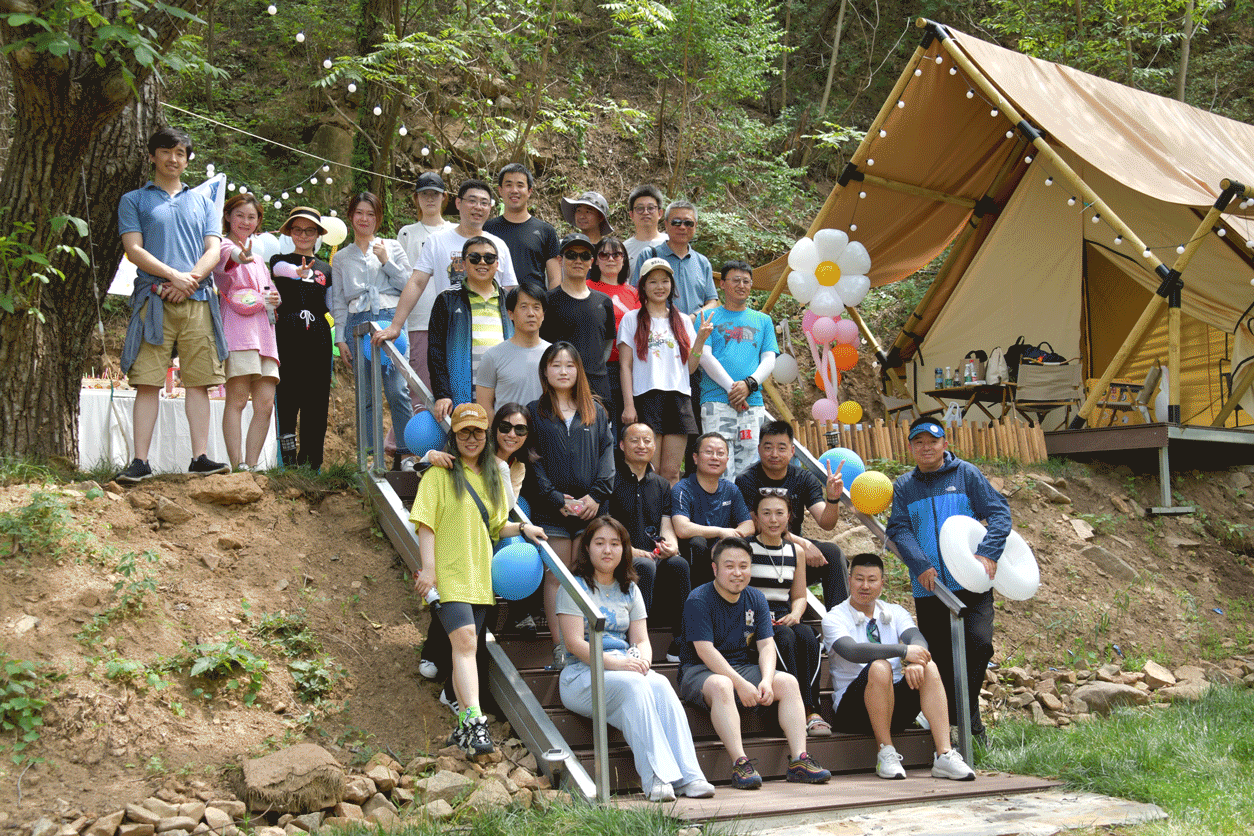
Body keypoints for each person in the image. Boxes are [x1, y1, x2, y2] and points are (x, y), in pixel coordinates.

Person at [410, 402, 546, 755]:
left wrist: (524, 529)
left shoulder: (491, 477)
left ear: (487, 436)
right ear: (454, 436)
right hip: (449, 573)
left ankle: (465, 726)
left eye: (477, 432)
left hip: (480, 575)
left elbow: (498, 525)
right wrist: (429, 569)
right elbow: (426, 524)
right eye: (464, 432)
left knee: (466, 647)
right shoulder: (438, 474)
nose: (471, 439)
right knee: (467, 642)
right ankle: (476, 722)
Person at [556, 516, 715, 802]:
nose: (608, 550)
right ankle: (656, 779)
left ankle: (689, 776)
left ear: (624, 549)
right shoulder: (574, 587)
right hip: (582, 675)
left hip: (624, 670)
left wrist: (643, 662)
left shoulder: (629, 588)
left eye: (615, 544)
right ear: (587, 548)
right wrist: (621, 665)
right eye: (600, 543)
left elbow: (641, 640)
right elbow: (574, 643)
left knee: (660, 684)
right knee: (635, 686)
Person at [886, 417, 1011, 746]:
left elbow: (999, 513)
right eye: (919, 442)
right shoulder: (904, 485)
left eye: (932, 441)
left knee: (979, 645)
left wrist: (988, 552)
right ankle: (968, 728)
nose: (926, 448)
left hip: (972, 582)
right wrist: (920, 564)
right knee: (940, 658)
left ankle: (962, 720)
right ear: (911, 447)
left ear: (945, 443)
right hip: (931, 588)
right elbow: (898, 529)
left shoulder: (966, 474)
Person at [115, 126, 230, 482]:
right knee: (147, 380)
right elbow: (134, 249)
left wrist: (188, 280)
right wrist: (172, 277)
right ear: (152, 156)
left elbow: (214, 249)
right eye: (166, 151)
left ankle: (200, 457)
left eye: (180, 153)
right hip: (153, 298)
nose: (173, 159)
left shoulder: (204, 202)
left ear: (187, 160)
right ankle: (140, 461)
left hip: (197, 299)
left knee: (199, 380)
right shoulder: (134, 200)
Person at [677, 537, 832, 789]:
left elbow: (766, 645)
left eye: (743, 566)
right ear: (715, 568)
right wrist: (740, 684)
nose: (737, 573)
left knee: (788, 682)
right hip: (700, 672)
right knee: (723, 685)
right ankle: (740, 763)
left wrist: (767, 681)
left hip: (742, 667)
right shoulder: (699, 599)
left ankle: (799, 760)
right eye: (729, 566)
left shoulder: (756, 598)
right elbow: (705, 651)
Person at [821, 552, 977, 781]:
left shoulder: (895, 612)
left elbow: (917, 639)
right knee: (880, 667)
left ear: (882, 583)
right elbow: (851, 651)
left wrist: (915, 660)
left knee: (929, 667)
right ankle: (886, 752)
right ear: (850, 580)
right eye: (859, 579)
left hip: (894, 705)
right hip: (853, 710)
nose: (865, 586)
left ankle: (944, 754)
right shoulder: (835, 617)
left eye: (872, 579)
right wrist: (903, 652)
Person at [418, 402, 534, 684]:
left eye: (520, 429)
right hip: (452, 563)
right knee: (464, 638)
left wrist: (523, 527)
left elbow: (500, 517)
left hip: (481, 563)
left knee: (470, 642)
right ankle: (434, 659)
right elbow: (426, 518)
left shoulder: (506, 469)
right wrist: (429, 455)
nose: (512, 434)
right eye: (505, 427)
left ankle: (456, 695)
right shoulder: (446, 468)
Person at [372, 179, 517, 391]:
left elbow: (510, 291)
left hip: (492, 334)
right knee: (454, 393)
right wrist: (396, 325)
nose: (478, 207)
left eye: (484, 203)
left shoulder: (498, 245)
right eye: (472, 201)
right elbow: (417, 282)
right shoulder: (438, 241)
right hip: (453, 331)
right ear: (458, 203)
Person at [524, 342, 615, 668]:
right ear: (545, 372)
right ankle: (561, 646)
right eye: (556, 365)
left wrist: (596, 496)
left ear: (579, 371)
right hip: (552, 510)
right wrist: (553, 498)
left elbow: (607, 456)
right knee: (557, 577)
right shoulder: (533, 412)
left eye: (569, 365)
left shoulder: (596, 410)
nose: (563, 371)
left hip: (591, 509)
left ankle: (585, 644)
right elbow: (531, 461)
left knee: (582, 575)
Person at [330, 192, 414, 467]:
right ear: (350, 216)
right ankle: (368, 455)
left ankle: (405, 453)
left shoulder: (392, 246)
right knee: (366, 393)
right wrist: (340, 338)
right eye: (359, 213)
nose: (364, 219)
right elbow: (339, 300)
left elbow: (409, 285)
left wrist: (387, 261)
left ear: (378, 218)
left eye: (370, 214)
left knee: (397, 390)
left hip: (390, 319)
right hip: (357, 322)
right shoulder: (342, 257)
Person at [736, 420, 848, 609]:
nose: (774, 454)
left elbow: (826, 523)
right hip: (759, 552)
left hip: (792, 551)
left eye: (781, 448)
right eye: (768, 447)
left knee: (833, 554)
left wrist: (833, 498)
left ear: (792, 450)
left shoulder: (803, 478)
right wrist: (802, 544)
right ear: (759, 449)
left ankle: (839, 622)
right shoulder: (746, 480)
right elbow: (756, 525)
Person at [618, 257, 712, 484]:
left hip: (678, 399)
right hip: (646, 397)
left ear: (672, 285)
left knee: (671, 472)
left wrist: (700, 340)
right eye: (653, 281)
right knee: (651, 470)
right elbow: (625, 365)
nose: (659, 287)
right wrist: (629, 405)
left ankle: (670, 509)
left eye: (664, 281)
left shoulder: (682, 320)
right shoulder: (631, 319)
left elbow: (690, 368)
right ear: (643, 286)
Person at [747, 490, 830, 737]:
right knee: (784, 637)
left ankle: (812, 710)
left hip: (785, 615)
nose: (773, 520)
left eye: (779, 513)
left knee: (808, 635)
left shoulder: (796, 551)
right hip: (755, 618)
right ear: (756, 517)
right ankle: (794, 707)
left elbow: (800, 595)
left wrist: (796, 613)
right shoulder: (747, 548)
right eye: (766, 513)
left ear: (789, 517)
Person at [213, 193, 281, 471]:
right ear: (228, 216)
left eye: (252, 217)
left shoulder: (259, 258)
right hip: (239, 333)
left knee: (265, 403)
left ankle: (251, 466)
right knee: (238, 399)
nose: (245, 221)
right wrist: (238, 256)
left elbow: (269, 291)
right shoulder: (221, 246)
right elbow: (229, 261)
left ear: (258, 221)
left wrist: (274, 298)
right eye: (239, 215)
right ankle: (236, 464)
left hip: (265, 335)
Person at [607, 423, 687, 653]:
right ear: (622, 445)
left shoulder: (661, 484)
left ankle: (681, 643)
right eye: (634, 440)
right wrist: (628, 549)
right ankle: (637, 642)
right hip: (619, 553)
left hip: (652, 553)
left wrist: (671, 545)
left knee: (679, 564)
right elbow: (604, 523)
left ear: (654, 446)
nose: (641, 445)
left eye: (647, 441)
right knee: (644, 565)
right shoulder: (610, 478)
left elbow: (666, 522)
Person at [269, 207, 334, 470]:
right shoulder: (279, 261)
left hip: (318, 335)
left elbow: (332, 305)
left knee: (316, 398)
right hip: (287, 331)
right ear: (290, 232)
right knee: (286, 395)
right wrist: (298, 272)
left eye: (310, 230)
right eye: (298, 230)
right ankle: (286, 461)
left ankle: (311, 463)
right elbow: (281, 270)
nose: (304, 235)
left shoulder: (326, 269)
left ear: (318, 234)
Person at [700, 261, 777, 475]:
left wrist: (749, 385)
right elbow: (704, 356)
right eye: (735, 280)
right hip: (716, 401)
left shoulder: (763, 320)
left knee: (749, 469)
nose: (741, 285)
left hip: (752, 403)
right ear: (722, 284)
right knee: (718, 466)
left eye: (746, 281)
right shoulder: (708, 317)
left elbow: (769, 358)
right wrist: (733, 389)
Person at [428, 237, 513, 418]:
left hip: (504, 395)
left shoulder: (510, 300)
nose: (482, 262)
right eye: (475, 257)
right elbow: (435, 352)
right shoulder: (447, 299)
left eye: (489, 258)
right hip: (463, 395)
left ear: (497, 264)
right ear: (463, 264)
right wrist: (442, 394)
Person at [396, 172, 454, 406]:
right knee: (420, 387)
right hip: (419, 320)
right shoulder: (407, 233)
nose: (430, 199)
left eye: (435, 194)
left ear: (444, 197)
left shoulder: (455, 231)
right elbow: (404, 277)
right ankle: (419, 429)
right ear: (416, 198)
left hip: (452, 318)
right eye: (424, 194)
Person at [539, 234, 616, 411]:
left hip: (598, 388)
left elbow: (607, 344)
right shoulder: (547, 301)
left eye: (585, 256)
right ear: (560, 260)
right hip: (560, 389)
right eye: (571, 255)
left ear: (592, 262)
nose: (578, 261)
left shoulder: (604, 301)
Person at [671, 432, 754, 591]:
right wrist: (721, 532)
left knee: (747, 542)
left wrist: (725, 541)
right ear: (695, 458)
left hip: (723, 549)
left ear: (727, 460)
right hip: (694, 553)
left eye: (720, 453)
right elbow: (682, 528)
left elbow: (748, 525)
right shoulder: (682, 488)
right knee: (697, 542)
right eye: (709, 452)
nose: (715, 457)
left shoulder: (730, 489)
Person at [630, 200, 717, 320]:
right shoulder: (649, 255)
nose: (682, 227)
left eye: (688, 223)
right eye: (676, 222)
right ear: (666, 224)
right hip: (658, 327)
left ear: (695, 226)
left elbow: (712, 302)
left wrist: (691, 319)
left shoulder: (702, 262)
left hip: (695, 328)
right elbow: (635, 296)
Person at [475, 279, 550, 415]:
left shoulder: (553, 355)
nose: (531, 313)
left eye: (536, 307)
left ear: (543, 315)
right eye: (524, 307)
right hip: (508, 428)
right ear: (510, 314)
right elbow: (484, 408)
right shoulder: (493, 356)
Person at [587, 236, 639, 426]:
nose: (610, 259)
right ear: (595, 260)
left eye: (616, 254)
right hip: (597, 368)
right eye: (604, 254)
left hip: (629, 368)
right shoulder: (586, 287)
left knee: (627, 426)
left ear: (624, 259)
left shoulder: (633, 293)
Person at [484, 163, 560, 288]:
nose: (514, 190)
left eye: (520, 185)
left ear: (529, 191)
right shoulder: (487, 229)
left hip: (534, 299)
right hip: (496, 298)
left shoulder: (546, 231)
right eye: (508, 185)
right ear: (500, 190)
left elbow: (555, 279)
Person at [623, 184, 668, 275]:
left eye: (651, 208)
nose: (645, 212)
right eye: (640, 208)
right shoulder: (624, 249)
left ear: (660, 213)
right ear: (631, 215)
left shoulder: (671, 243)